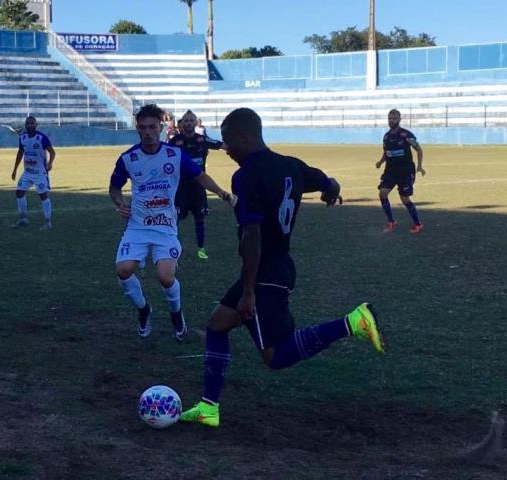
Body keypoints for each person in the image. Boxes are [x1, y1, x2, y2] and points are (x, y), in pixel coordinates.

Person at [180, 108, 385, 428]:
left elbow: (252, 234)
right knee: (217, 325)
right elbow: (327, 181)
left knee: (275, 355)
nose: (227, 148)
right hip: (276, 267)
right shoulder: (291, 166)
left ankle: (353, 322)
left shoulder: (246, 175)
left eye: (230, 140)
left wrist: (249, 291)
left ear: (244, 137)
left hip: (264, 273)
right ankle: (209, 408)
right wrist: (333, 190)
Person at [109, 104, 234, 342]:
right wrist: (119, 203)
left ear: (161, 127)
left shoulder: (174, 155)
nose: (148, 132)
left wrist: (222, 193)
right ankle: (144, 310)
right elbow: (115, 187)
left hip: (165, 226)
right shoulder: (128, 158)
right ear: (137, 128)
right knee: (123, 270)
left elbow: (200, 176)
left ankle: (177, 315)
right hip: (137, 226)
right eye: (143, 127)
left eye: (152, 127)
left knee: (166, 277)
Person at [169, 110, 224, 260]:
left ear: (196, 123)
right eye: (185, 121)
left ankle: (201, 249)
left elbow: (221, 145)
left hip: (199, 187)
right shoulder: (174, 142)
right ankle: (173, 249)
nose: (188, 123)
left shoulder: (202, 139)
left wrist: (239, 147)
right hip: (180, 188)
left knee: (200, 219)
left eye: (191, 120)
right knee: (175, 220)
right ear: (181, 123)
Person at [376, 109, 426, 234]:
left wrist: (419, 166)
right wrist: (381, 161)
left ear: (399, 119)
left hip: (405, 170)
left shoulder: (406, 135)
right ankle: (391, 221)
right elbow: (386, 152)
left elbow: (419, 149)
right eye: (389, 118)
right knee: (382, 194)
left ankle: (418, 224)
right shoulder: (386, 136)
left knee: (404, 199)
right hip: (390, 170)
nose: (391, 120)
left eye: (394, 118)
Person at [10, 116, 56, 231]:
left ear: (36, 125)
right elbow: (20, 153)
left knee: (43, 196)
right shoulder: (23, 137)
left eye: (32, 123)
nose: (30, 125)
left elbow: (52, 152)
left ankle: (48, 222)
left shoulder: (42, 138)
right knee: (19, 193)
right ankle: (23, 218)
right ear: (25, 125)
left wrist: (50, 163)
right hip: (27, 172)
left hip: (40, 173)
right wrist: (15, 169)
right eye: (28, 123)